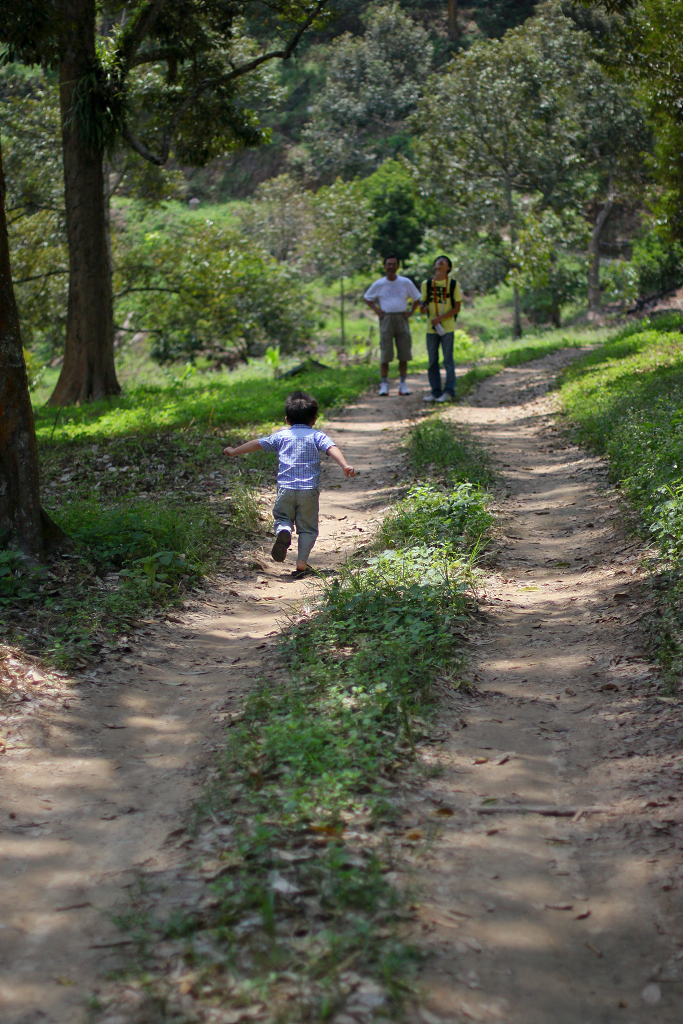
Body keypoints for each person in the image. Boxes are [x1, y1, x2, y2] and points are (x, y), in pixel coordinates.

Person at [223, 391, 355, 578]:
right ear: (314, 420)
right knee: (308, 528)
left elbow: (258, 443)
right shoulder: (316, 435)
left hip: (286, 488)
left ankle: (284, 530)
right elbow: (331, 448)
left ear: (287, 419)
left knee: (282, 517)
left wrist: (234, 451)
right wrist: (344, 465)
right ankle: (301, 562)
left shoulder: (282, 436)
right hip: (308, 490)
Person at [364, 255, 421, 396]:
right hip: (386, 318)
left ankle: (403, 384)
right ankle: (384, 385)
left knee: (404, 351)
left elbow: (417, 298)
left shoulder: (405, 282)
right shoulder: (379, 284)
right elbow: (367, 298)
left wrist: (411, 312)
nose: (391, 267)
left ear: (398, 266)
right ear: (384, 266)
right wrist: (377, 310)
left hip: (402, 317)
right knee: (385, 351)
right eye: (388, 264)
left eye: (394, 264)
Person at [420, 255, 462, 403]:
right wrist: (423, 309)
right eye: (438, 260)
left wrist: (441, 318)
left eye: (444, 261)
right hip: (431, 327)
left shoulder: (453, 284)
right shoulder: (427, 284)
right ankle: (435, 391)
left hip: (447, 327)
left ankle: (449, 391)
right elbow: (423, 304)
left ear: (448, 268)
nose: (440, 261)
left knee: (448, 360)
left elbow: (457, 307)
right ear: (434, 266)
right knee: (432, 361)